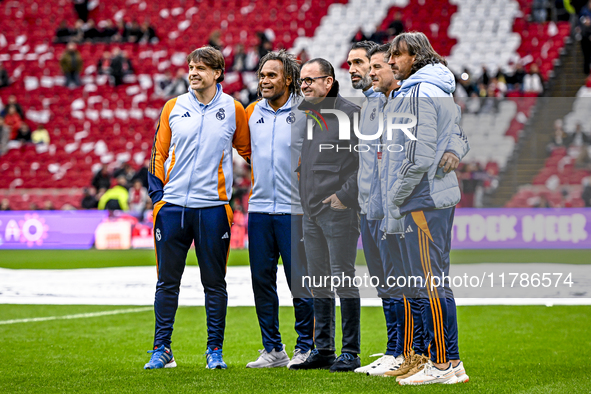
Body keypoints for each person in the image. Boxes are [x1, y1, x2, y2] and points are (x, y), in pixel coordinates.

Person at [144, 46, 250, 370]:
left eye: (201, 68)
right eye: (190, 66)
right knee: (166, 283)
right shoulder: (172, 107)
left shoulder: (234, 109)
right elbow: (157, 154)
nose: (193, 72)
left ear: (217, 73)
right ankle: (162, 349)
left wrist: (257, 192)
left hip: (213, 210)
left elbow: (251, 154)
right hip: (172, 208)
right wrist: (157, 198)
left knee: (214, 283)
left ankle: (214, 350)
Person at [385, 32, 470, 385]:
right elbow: (455, 134)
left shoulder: (419, 91)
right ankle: (445, 362)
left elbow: (417, 156)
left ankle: (444, 363)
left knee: (430, 282)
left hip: (422, 196)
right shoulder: (439, 87)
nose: (391, 62)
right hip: (435, 195)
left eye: (397, 55)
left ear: (415, 55)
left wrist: (396, 194)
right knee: (434, 281)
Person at [289, 58, 362, 373]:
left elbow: (365, 165)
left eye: (310, 79)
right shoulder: (311, 116)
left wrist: (344, 197)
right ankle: (324, 349)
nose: (303, 85)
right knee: (318, 281)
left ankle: (350, 351)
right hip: (312, 212)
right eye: (302, 81)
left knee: (343, 277)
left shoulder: (350, 115)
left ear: (329, 82)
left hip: (338, 211)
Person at [244, 50, 314, 369]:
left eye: (272, 75)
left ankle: (306, 346)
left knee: (299, 282)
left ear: (288, 79)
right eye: (262, 75)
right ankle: (273, 348)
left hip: (296, 211)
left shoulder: (307, 111)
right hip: (258, 210)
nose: (264, 81)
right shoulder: (251, 113)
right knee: (262, 282)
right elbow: (249, 152)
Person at [344, 41, 401, 376]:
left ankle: (401, 350)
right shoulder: (368, 105)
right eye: (349, 63)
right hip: (368, 210)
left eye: (359, 63)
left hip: (383, 212)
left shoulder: (387, 105)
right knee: (383, 283)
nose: (352, 69)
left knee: (395, 282)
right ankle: (395, 348)